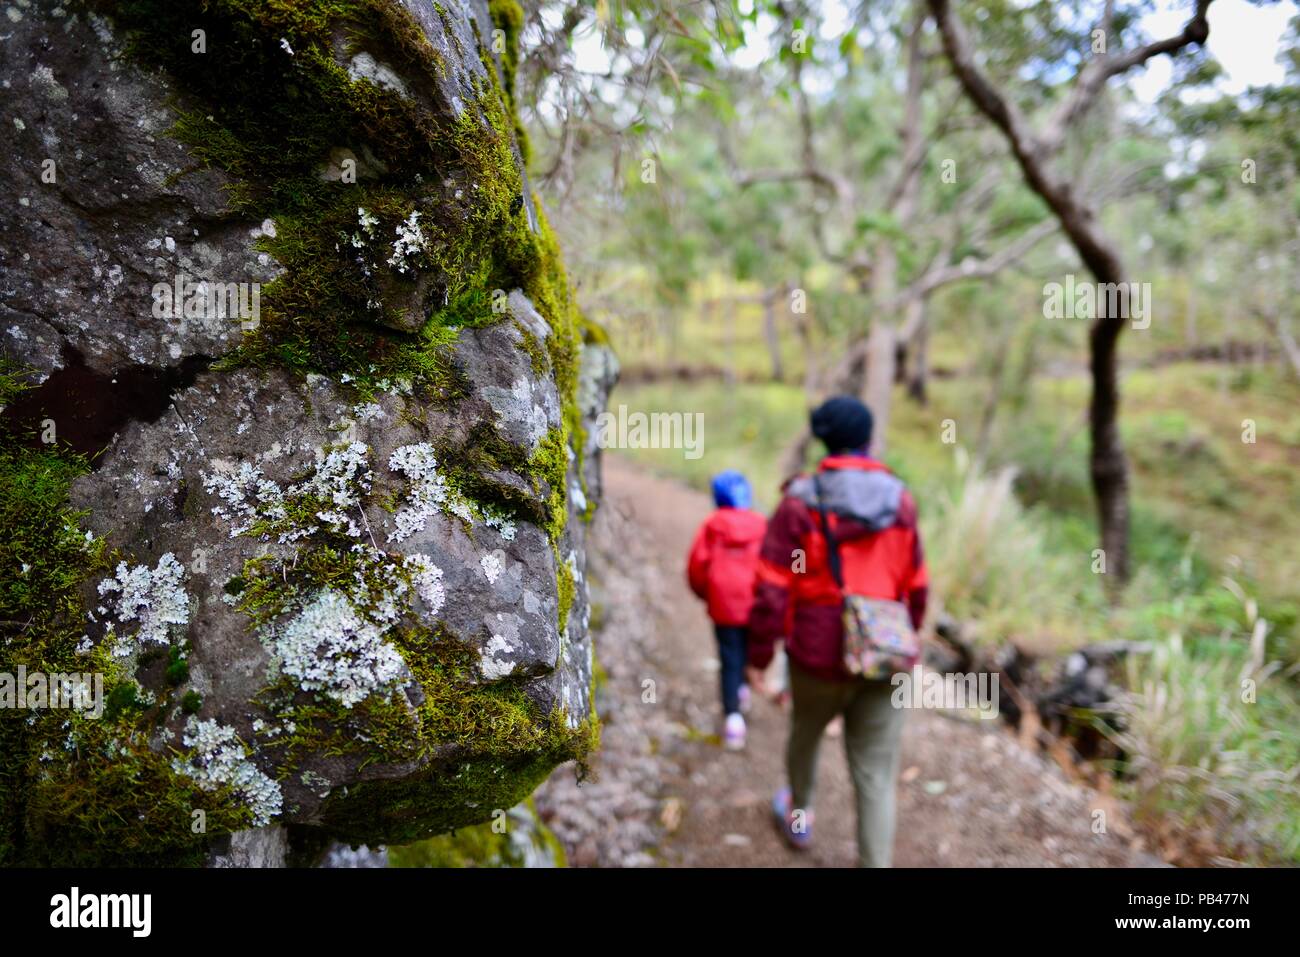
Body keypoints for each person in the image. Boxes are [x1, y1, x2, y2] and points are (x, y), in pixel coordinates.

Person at [746, 396, 928, 867]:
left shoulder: (799, 502)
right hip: (884, 655)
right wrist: (911, 633)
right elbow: (918, 586)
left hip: (817, 652)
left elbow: (771, 588)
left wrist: (759, 655)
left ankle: (799, 818)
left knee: (805, 738)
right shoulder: (900, 500)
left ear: (824, 440)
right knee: (875, 774)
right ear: (868, 439)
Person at [686, 470, 767, 751]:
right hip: (756, 603)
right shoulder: (761, 524)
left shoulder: (712, 525)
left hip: (723, 605)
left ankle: (733, 718)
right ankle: (743, 691)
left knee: (729, 656)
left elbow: (697, 567)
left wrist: (706, 594)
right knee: (749, 649)